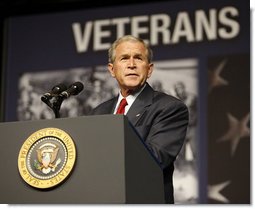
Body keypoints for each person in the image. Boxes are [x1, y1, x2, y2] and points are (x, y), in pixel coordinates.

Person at [89, 35, 189, 203]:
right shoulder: (98, 113)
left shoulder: (169, 108)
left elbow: (155, 159)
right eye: (124, 58)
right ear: (112, 70)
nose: (131, 64)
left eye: (138, 58)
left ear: (149, 69)